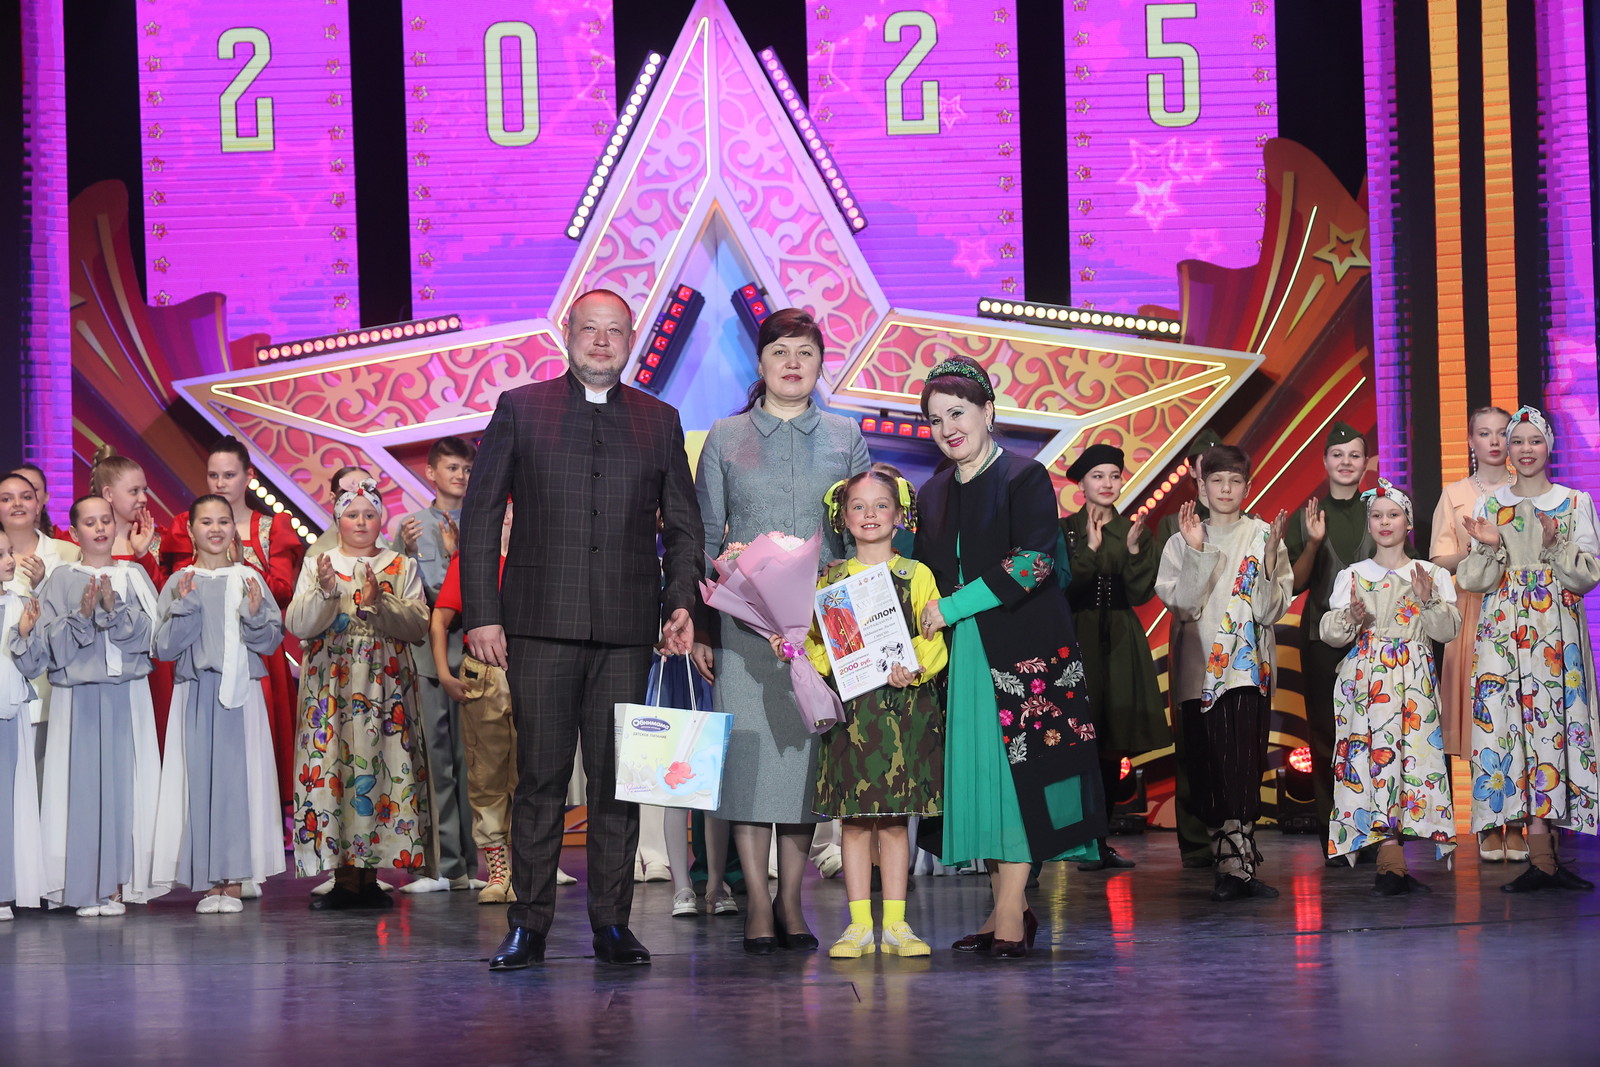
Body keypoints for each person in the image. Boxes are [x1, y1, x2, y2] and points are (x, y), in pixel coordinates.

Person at [460, 288, 701, 970]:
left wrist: (680, 600)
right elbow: (480, 515)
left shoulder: (659, 420)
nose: (601, 341)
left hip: (627, 629)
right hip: (538, 624)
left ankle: (612, 924)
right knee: (539, 778)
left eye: (614, 331)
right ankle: (529, 924)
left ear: (631, 340)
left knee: (618, 782)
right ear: (567, 335)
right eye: (589, 329)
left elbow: (685, 528)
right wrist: (482, 613)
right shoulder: (522, 407)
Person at [689, 307, 870, 954]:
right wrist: (704, 624)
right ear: (760, 362)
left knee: (802, 765)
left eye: (806, 352)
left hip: (820, 627)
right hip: (744, 627)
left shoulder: (844, 435)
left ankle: (792, 900)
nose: (793, 363)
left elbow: (865, 526)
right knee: (750, 765)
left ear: (820, 364)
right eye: (780, 352)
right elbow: (703, 537)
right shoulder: (725, 435)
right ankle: (758, 903)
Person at [915, 355, 1105, 959]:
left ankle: (1007, 917)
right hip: (962, 655)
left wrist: (951, 607)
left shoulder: (1024, 477)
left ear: (988, 412)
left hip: (1026, 654)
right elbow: (922, 574)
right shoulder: (933, 492)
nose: (948, 428)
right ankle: (1009, 911)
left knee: (1021, 782)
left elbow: (1034, 561)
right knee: (984, 785)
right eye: (936, 419)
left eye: (958, 413)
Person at [789, 470, 945, 958]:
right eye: (858, 506)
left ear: (899, 515)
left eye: (881, 505)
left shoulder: (915, 574)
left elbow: (933, 639)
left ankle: (896, 924)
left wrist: (912, 667)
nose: (870, 514)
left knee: (895, 821)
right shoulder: (830, 580)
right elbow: (815, 643)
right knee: (853, 822)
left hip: (903, 712)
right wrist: (803, 653)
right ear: (843, 518)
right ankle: (858, 925)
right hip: (852, 714)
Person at [1459, 406, 1600, 892]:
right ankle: (1538, 854)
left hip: (1555, 632)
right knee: (1509, 727)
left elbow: (1586, 576)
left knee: (1554, 726)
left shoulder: (1574, 502)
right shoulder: (1490, 504)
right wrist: (1488, 545)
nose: (1524, 449)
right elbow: (1475, 580)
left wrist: (1557, 546)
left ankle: (1546, 855)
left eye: (1533, 440)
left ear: (1549, 446)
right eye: (1516, 441)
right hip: (1503, 633)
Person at [286, 478, 433, 910]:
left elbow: (419, 625)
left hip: (383, 688)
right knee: (334, 769)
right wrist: (327, 592)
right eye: (352, 514)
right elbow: (298, 624)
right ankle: (344, 878)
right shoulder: (318, 563)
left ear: (380, 519)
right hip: (330, 687)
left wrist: (380, 603)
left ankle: (368, 877)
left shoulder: (400, 565)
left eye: (370, 514)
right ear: (338, 519)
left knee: (380, 770)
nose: (362, 522)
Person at [1155, 444, 1292, 901]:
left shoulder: (1263, 535)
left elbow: (1269, 610)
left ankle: (1236, 865)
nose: (1226, 489)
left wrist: (1269, 560)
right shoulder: (1182, 539)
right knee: (1209, 764)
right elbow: (1184, 605)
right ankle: (1231, 861)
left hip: (1248, 669)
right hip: (1200, 669)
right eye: (1217, 481)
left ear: (1247, 487)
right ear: (1203, 487)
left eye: (1235, 481)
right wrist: (1197, 551)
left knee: (1244, 763)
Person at [20, 495, 165, 917]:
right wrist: (82, 617)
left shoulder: (133, 574)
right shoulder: (62, 578)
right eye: (90, 522)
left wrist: (114, 611)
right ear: (74, 531)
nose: (100, 529)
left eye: (105, 520)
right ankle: (84, 885)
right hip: (77, 696)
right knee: (78, 787)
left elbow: (154, 636)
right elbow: (48, 644)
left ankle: (118, 883)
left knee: (126, 786)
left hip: (127, 694)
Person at [432, 502, 579, 903]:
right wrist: (444, 673)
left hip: (534, 670)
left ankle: (532, 865)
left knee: (535, 772)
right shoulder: (472, 561)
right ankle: (498, 871)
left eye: (518, 510)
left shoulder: (546, 560)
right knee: (486, 775)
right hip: (484, 675)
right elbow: (440, 619)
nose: (511, 517)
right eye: (507, 510)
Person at [1320, 480, 1460, 893]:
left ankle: (1394, 862)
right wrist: (1350, 618)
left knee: (1412, 762)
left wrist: (1428, 599)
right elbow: (1330, 633)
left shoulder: (1432, 574)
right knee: (1374, 763)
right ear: (1370, 524)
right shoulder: (1353, 575)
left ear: (1408, 523)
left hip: (1413, 681)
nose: (1385, 522)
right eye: (1377, 516)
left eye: (1393, 515)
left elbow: (1447, 630)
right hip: (1367, 683)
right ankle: (1388, 862)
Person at [150, 496, 286, 913]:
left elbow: (270, 641)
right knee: (200, 783)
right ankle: (209, 881)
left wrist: (254, 614)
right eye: (206, 522)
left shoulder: (250, 578)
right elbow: (164, 648)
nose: (215, 529)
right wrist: (185, 607)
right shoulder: (180, 581)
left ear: (233, 529)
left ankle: (235, 878)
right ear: (191, 530)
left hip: (240, 695)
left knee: (238, 784)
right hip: (196, 693)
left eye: (223, 521)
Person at [164, 437, 306, 810]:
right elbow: (177, 585)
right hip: (203, 645)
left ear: (248, 476)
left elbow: (283, 590)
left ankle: (263, 815)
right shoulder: (188, 525)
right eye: (213, 475)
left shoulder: (271, 527)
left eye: (229, 475)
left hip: (255, 647)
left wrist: (241, 568)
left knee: (258, 742)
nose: (220, 483)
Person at [1061, 443, 1168, 871]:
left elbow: (1141, 593)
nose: (1107, 483)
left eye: (1114, 475)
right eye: (1098, 476)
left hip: (1121, 640)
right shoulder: (1065, 530)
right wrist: (1088, 548)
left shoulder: (1133, 529)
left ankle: (1100, 841)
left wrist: (1137, 554)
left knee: (1111, 743)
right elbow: (1064, 588)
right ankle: (1071, 838)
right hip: (1077, 637)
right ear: (1082, 484)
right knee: (1076, 740)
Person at [1429, 405, 1522, 861]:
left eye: (1503, 432)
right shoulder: (1455, 494)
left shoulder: (1525, 490)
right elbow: (1437, 559)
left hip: (1519, 610)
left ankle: (1518, 821)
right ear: (1470, 441)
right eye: (1484, 433)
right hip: (1472, 609)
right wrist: (1471, 550)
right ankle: (1487, 822)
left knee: (1517, 712)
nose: (1494, 441)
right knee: (1479, 715)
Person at [391, 437, 479, 895]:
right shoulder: (410, 528)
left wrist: (457, 552)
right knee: (437, 762)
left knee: (475, 765)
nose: (460, 476)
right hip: (429, 659)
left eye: (467, 468)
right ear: (431, 472)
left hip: (478, 656)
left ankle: (478, 862)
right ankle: (446, 865)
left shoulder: (485, 521)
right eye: (452, 467)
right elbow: (402, 593)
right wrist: (407, 553)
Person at [1285, 423, 1374, 859]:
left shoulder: (1380, 508)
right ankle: (1334, 835)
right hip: (1321, 641)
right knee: (1327, 736)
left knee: (1374, 733)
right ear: (1324, 461)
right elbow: (1293, 583)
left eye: (1354, 455)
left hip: (1377, 640)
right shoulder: (1309, 514)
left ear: (1366, 462)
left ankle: (1374, 833)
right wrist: (1313, 543)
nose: (1345, 462)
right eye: (1337, 454)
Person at [1154, 429, 1222, 868]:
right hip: (1192, 639)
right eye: (1206, 469)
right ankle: (1196, 842)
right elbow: (1172, 591)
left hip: (1234, 643)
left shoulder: (1246, 522)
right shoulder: (1173, 524)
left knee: (1230, 739)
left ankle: (1231, 833)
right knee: (1191, 740)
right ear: (1194, 475)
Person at [85, 449, 174, 752]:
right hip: (100, 655)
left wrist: (142, 554)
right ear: (109, 494)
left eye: (144, 490)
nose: (143, 498)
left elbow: (163, 599)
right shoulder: (82, 544)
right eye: (134, 491)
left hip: (149, 657)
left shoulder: (156, 540)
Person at [1, 472, 79, 778]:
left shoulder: (67, 553)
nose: (17, 504)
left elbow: (76, 621)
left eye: (26, 496)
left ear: (40, 503)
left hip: (51, 687)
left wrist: (43, 586)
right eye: (6, 499)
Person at [0, 530, 48, 920]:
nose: (9, 561)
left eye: (9, 552)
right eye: (0, 555)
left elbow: (33, 667)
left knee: (6, 802)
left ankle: (3, 890)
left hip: (8, 715)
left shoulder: (20, 604)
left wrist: (26, 633)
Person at [11, 463, 59, 537]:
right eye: (16, 489)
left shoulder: (63, 541)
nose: (25, 495)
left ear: (46, 497)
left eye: (34, 488)